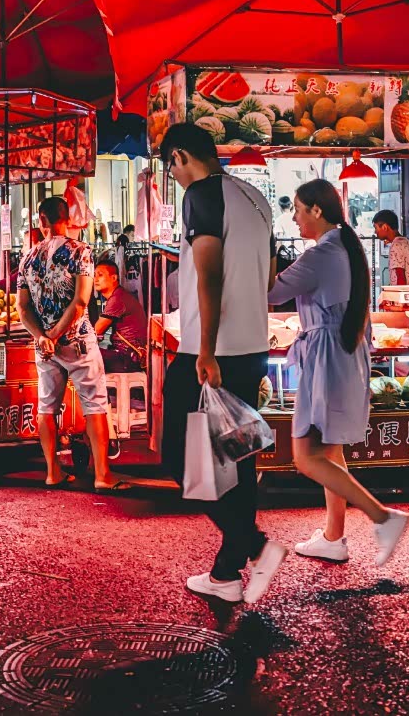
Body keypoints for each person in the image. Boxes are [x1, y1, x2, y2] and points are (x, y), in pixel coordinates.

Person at [159, 123, 286, 605]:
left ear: (180, 156)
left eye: (171, 166)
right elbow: (270, 274)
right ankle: (228, 572)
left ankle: (255, 547)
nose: (173, 176)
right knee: (237, 459)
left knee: (177, 455)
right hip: (253, 346)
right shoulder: (254, 196)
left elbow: (208, 273)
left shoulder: (202, 193)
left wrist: (207, 348)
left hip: (208, 350)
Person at [268, 181, 409, 567]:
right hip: (339, 355)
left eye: (298, 209)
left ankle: (383, 516)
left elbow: (271, 294)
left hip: (327, 358)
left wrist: (261, 251)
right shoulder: (341, 247)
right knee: (330, 451)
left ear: (316, 210)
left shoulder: (321, 254)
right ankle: (333, 537)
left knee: (305, 455)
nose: (294, 217)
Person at [18, 196, 127, 492]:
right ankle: (103, 475)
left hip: (45, 347)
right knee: (95, 405)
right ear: (68, 219)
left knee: (46, 408)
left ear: (42, 221)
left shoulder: (27, 258)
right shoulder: (81, 252)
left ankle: (53, 471)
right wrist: (55, 335)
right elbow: (80, 302)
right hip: (77, 340)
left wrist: (42, 337)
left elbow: (23, 309)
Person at [92, 262, 148, 372]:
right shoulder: (119, 295)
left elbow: (96, 330)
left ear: (114, 278)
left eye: (100, 275)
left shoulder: (117, 299)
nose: (96, 279)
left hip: (128, 358)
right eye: (94, 275)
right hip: (129, 356)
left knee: (83, 356)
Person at [373, 209, 409, 286]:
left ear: (385, 227)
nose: (375, 232)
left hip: (401, 293)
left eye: (376, 228)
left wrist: (398, 295)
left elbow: (400, 276)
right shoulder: (406, 241)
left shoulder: (396, 245)